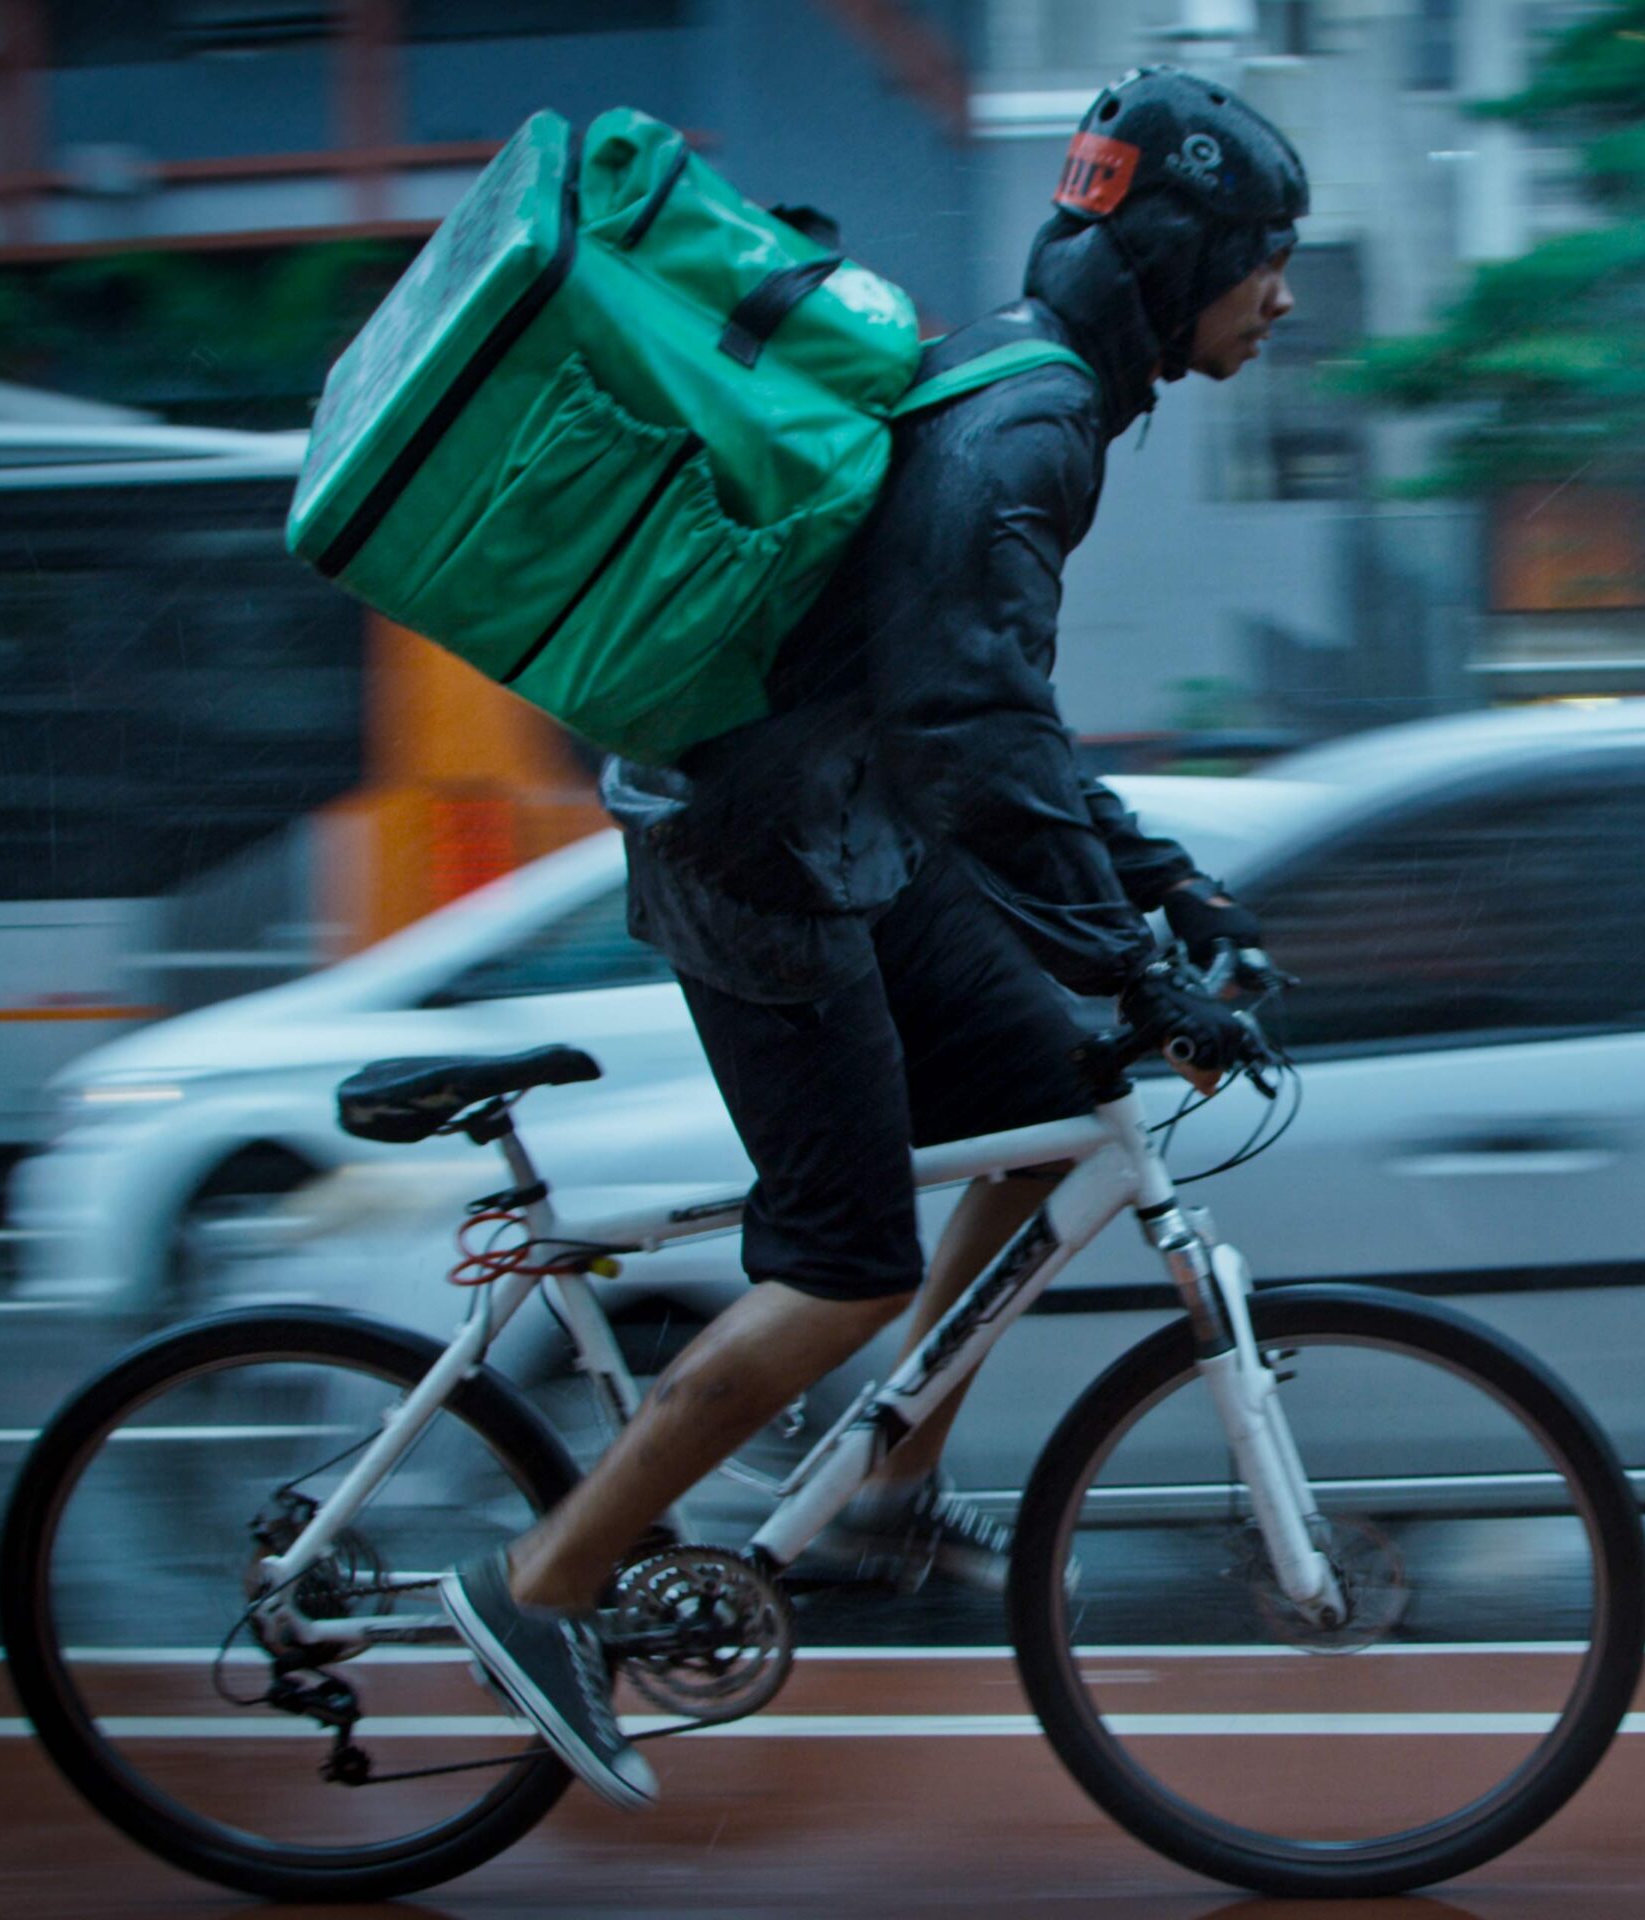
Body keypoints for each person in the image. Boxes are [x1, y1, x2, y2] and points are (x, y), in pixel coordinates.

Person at [440, 66, 1308, 1810]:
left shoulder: (1040, 386)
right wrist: (1137, 952)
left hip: (843, 825)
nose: (1282, 297)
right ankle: (536, 1590)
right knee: (843, 1264)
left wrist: (1159, 889)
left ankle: (882, 1490)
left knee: (1054, 1089)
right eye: (1266, 259)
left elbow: (993, 715)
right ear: (1179, 256)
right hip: (759, 859)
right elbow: (969, 732)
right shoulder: (1033, 428)